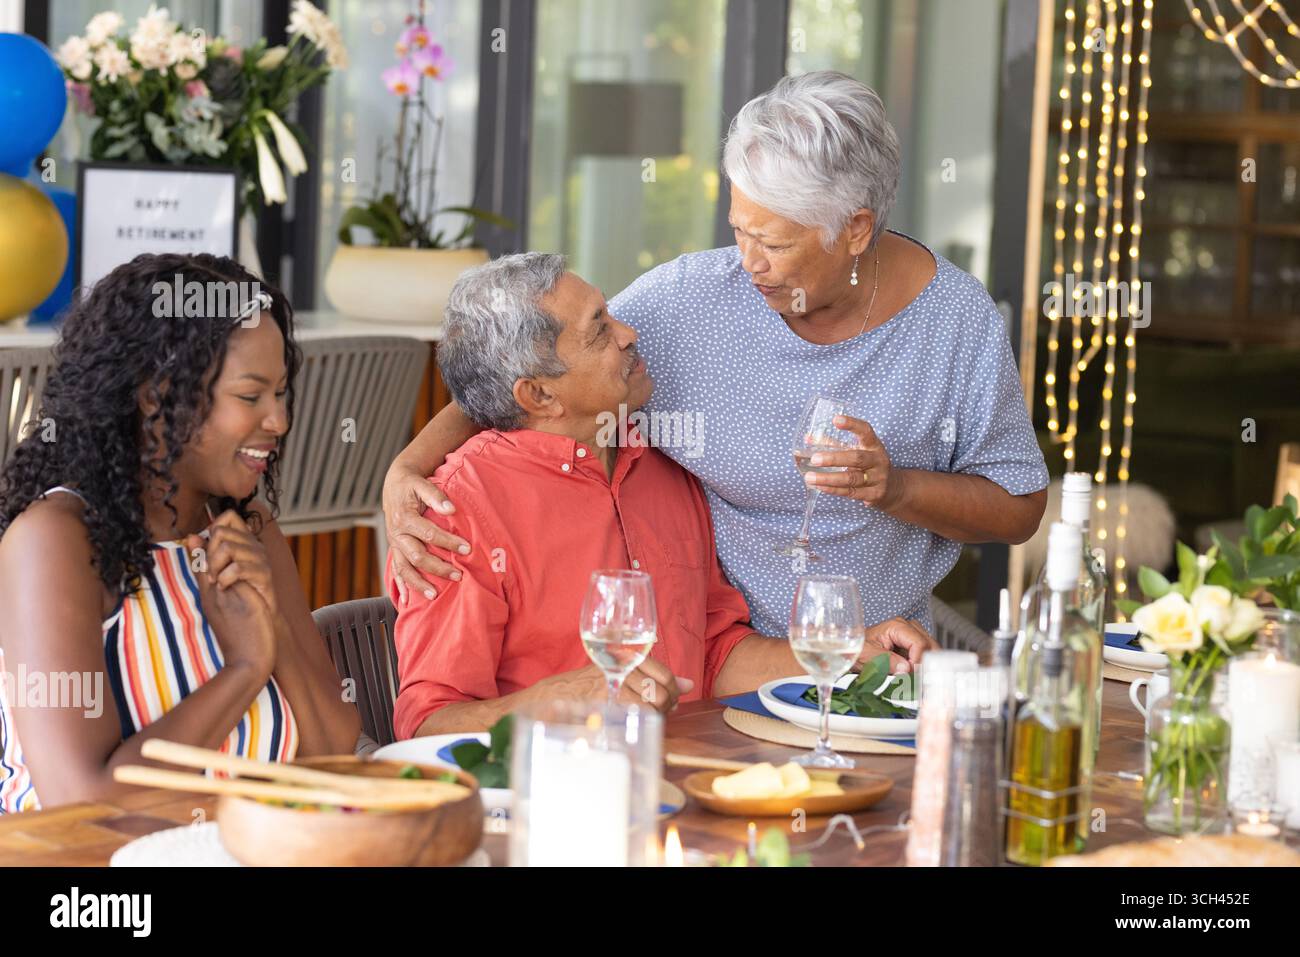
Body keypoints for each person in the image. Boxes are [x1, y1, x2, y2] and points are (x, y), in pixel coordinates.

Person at [383, 71, 1048, 639]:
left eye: (777, 245)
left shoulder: (955, 321)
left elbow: (1017, 508)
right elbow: (532, 375)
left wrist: (896, 486)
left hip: (870, 675)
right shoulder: (692, 299)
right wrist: (406, 468)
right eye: (739, 231)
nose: (749, 264)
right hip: (715, 674)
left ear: (856, 229)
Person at [386, 253, 934, 737]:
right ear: (538, 394)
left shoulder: (661, 467)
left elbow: (713, 653)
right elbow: (427, 721)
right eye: (599, 330)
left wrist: (842, 656)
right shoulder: (454, 514)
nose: (629, 333)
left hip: (688, 787)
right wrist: (561, 701)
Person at [0, 253, 360, 813]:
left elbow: (334, 753)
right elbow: (82, 803)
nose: (279, 421)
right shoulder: (56, 543)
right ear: (155, 396)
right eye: (250, 396)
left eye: (281, 393)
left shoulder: (250, 532)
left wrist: (274, 635)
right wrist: (244, 668)